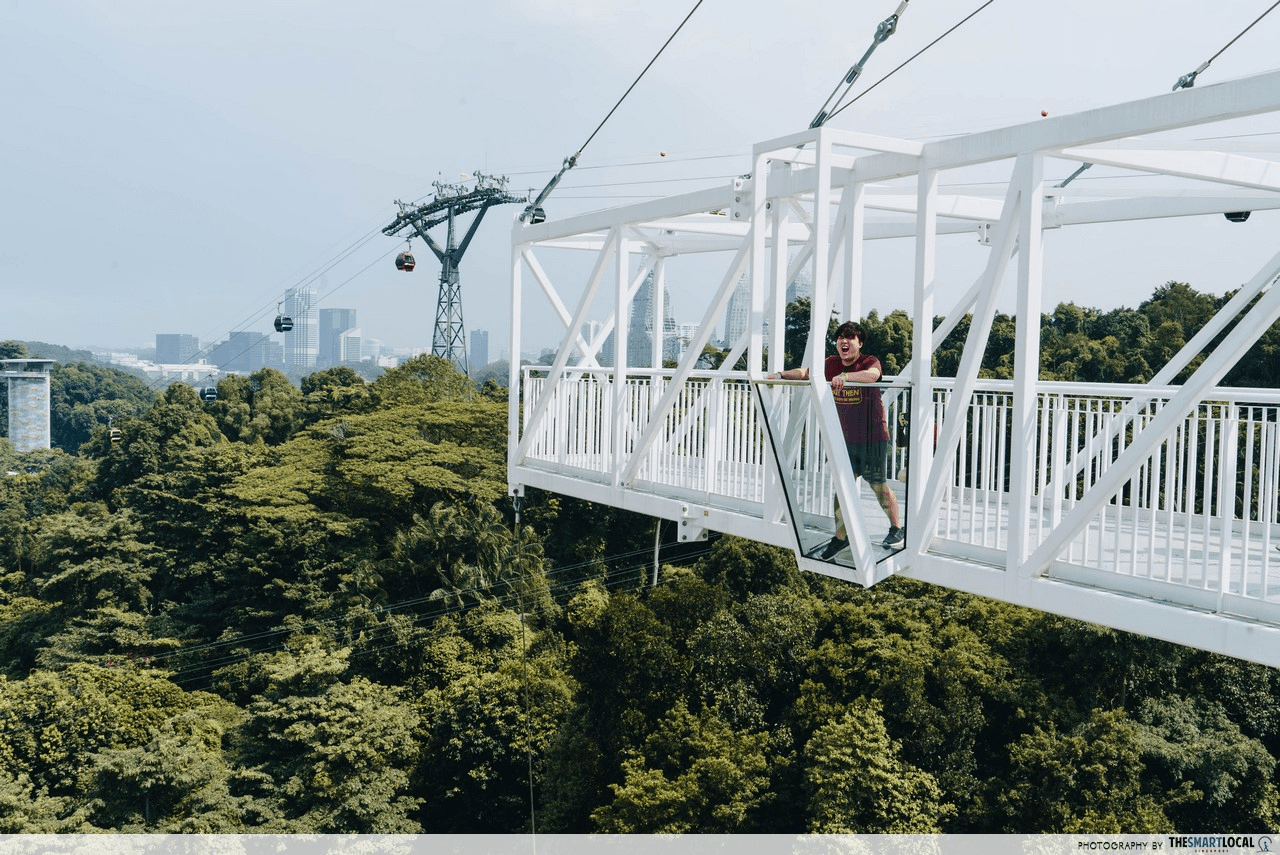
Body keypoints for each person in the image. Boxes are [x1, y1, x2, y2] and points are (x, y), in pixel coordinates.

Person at [767, 320, 904, 558]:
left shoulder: (869, 361)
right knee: (841, 489)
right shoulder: (830, 364)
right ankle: (841, 538)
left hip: (873, 437)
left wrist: (846, 377)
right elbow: (806, 372)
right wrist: (780, 374)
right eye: (841, 337)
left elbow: (873, 376)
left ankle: (897, 528)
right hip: (846, 438)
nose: (844, 341)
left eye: (850, 337)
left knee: (877, 485)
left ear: (859, 343)